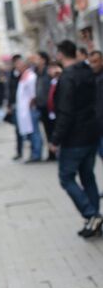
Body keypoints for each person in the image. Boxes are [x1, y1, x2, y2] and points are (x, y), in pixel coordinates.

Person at [49, 40, 101, 237]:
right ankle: (94, 219)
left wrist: (55, 140)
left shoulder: (68, 78)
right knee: (88, 176)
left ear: (60, 54)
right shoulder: (86, 72)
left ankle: (90, 214)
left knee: (66, 177)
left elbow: (65, 112)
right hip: (91, 132)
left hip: (75, 137)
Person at [15, 56, 43, 162]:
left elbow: (33, 93)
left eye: (19, 65)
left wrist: (30, 105)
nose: (17, 67)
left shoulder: (31, 76)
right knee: (30, 133)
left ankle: (37, 154)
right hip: (24, 110)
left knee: (34, 132)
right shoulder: (23, 76)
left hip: (30, 109)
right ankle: (33, 153)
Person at [34, 52, 56, 160]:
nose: (35, 60)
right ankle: (51, 153)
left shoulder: (48, 71)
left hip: (50, 106)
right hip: (41, 106)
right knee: (47, 130)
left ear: (43, 59)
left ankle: (55, 151)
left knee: (53, 129)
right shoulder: (38, 72)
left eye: (37, 58)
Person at [6, 54, 24, 160]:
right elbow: (10, 90)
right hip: (16, 104)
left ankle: (33, 150)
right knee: (18, 129)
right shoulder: (12, 74)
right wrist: (9, 105)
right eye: (17, 63)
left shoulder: (26, 73)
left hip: (25, 104)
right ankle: (19, 151)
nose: (19, 65)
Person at [89, 50, 103, 163]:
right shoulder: (89, 77)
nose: (93, 65)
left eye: (96, 61)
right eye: (91, 62)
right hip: (96, 124)